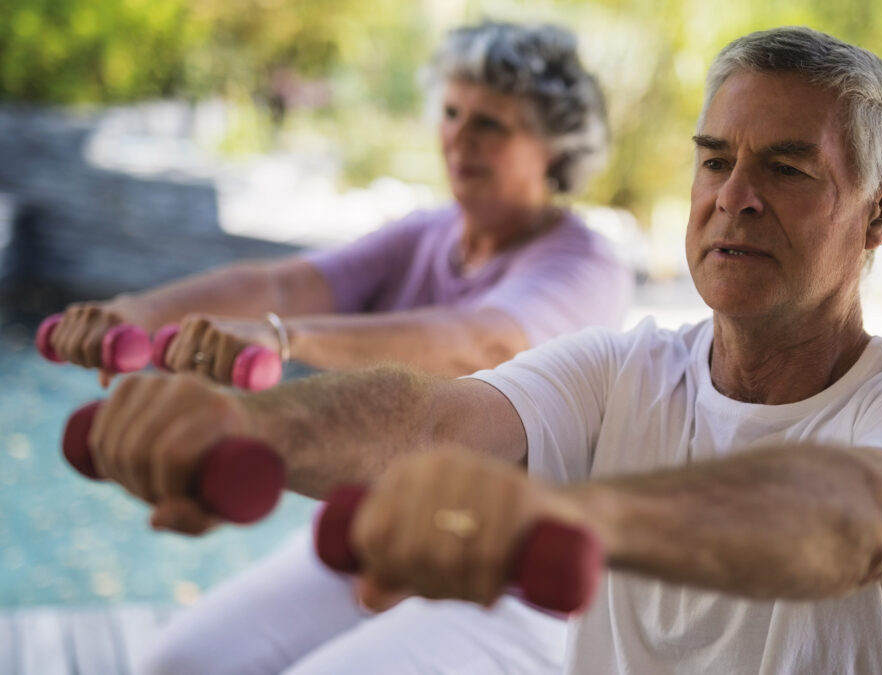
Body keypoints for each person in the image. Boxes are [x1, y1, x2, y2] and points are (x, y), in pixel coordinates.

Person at [81, 26, 882, 675]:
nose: (735, 195)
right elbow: (428, 416)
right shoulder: (619, 370)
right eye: (714, 160)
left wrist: (571, 521)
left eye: (786, 167)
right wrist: (243, 423)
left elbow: (859, 517)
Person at [47, 21, 632, 675]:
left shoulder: (585, 265)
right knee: (177, 663)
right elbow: (284, 281)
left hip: (515, 578)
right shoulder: (426, 232)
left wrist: (281, 337)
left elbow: (479, 340)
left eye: (491, 124)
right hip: (386, 531)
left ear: (553, 148)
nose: (459, 138)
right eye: (450, 112)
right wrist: (136, 312)